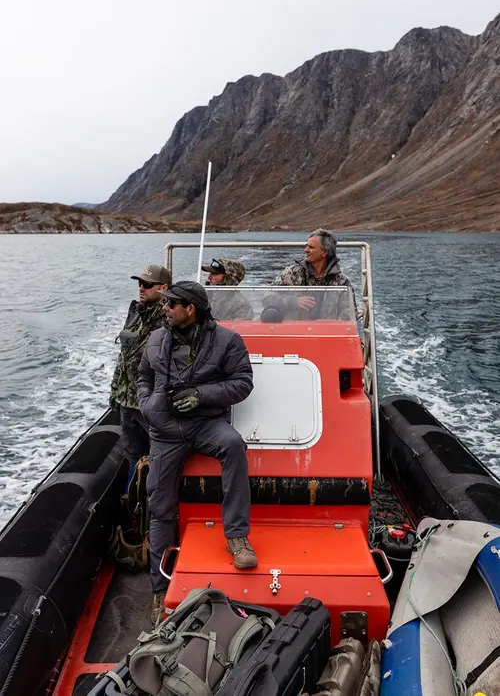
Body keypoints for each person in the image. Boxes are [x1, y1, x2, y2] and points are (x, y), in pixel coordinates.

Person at [137, 281, 257, 625]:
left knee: (233, 445)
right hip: (164, 431)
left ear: (190, 309)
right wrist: (148, 405)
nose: (164, 307)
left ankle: (237, 538)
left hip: (206, 424)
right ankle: (160, 589)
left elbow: (243, 382)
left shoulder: (227, 341)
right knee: (159, 503)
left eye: (171, 303)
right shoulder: (157, 338)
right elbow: (143, 374)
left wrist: (201, 395)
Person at [109, 264, 172, 468]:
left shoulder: (172, 319)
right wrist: (115, 391)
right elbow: (124, 357)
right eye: (139, 283)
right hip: (127, 401)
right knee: (132, 454)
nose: (141, 288)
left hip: (153, 405)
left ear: (163, 287)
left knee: (160, 457)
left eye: (147, 284)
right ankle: (134, 495)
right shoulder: (136, 312)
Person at [266, 228, 359, 320]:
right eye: (306, 246)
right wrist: (293, 302)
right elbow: (268, 297)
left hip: (326, 333)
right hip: (293, 332)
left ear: (324, 252)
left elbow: (350, 313)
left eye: (311, 247)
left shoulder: (341, 282)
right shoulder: (291, 273)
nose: (305, 250)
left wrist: (331, 323)